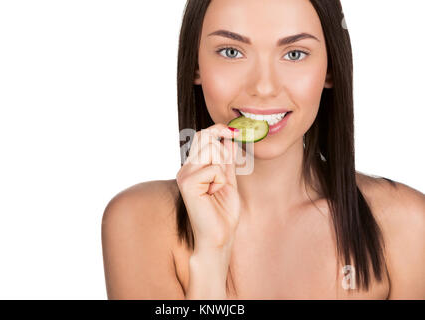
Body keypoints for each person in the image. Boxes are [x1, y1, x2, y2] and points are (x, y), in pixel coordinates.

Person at [101, 0, 425, 300]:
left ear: (329, 70)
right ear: (195, 65)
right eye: (231, 51)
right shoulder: (137, 223)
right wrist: (211, 257)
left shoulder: (408, 224)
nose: (264, 87)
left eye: (295, 54)